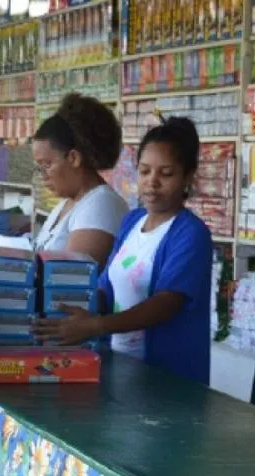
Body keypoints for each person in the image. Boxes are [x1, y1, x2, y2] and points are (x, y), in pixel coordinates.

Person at [35, 117, 214, 385]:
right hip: (121, 367)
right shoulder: (132, 221)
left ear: (187, 177)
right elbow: (106, 287)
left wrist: (94, 325)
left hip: (168, 380)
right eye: (144, 171)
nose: (152, 182)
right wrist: (66, 308)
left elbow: (165, 303)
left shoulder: (191, 233)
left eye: (166, 174)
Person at [0, 93, 128, 269]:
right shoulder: (65, 205)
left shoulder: (101, 204)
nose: (42, 174)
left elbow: (68, 278)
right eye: (39, 166)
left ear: (73, 158)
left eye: (47, 165)